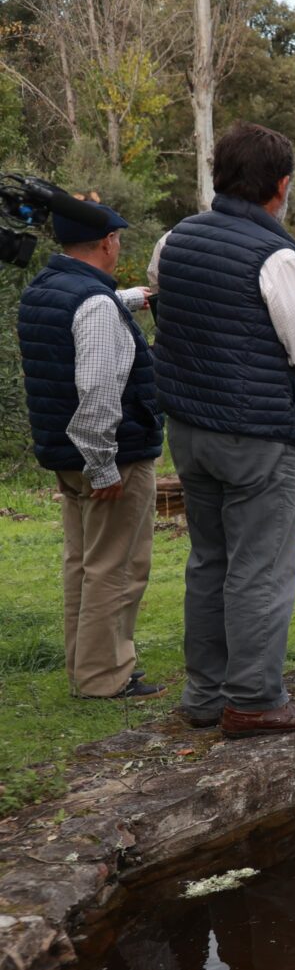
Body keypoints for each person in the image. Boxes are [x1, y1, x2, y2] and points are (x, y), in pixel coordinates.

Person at [152, 121, 295, 739]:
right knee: (262, 567)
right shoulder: (273, 256)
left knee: (208, 560)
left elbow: (170, 312)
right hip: (255, 432)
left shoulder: (173, 240)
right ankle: (253, 699)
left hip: (188, 428)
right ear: (281, 185)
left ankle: (204, 694)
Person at [15, 203, 166, 700]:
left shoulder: (44, 291)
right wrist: (104, 466)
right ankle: (106, 678)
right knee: (116, 567)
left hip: (63, 454)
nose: (118, 245)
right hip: (109, 459)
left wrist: (130, 299)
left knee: (82, 564)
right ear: (106, 243)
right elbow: (99, 390)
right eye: (117, 238)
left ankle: (85, 667)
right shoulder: (97, 306)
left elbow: (83, 314)